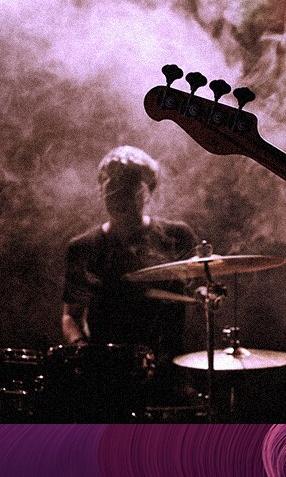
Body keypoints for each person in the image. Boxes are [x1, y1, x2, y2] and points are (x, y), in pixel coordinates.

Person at [57, 145, 200, 422]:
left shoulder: (177, 236)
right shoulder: (82, 247)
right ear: (101, 189)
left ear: (147, 190)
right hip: (105, 375)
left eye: (127, 186)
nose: (117, 193)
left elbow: (199, 287)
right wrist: (80, 347)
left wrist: (208, 294)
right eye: (110, 185)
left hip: (169, 370)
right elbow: (70, 316)